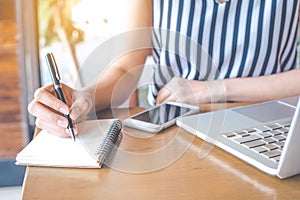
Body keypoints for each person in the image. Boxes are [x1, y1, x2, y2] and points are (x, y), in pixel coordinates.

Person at [28, 0, 300, 138]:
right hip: (172, 132)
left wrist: (211, 89)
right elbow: (126, 66)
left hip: (271, 128)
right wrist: (84, 97)